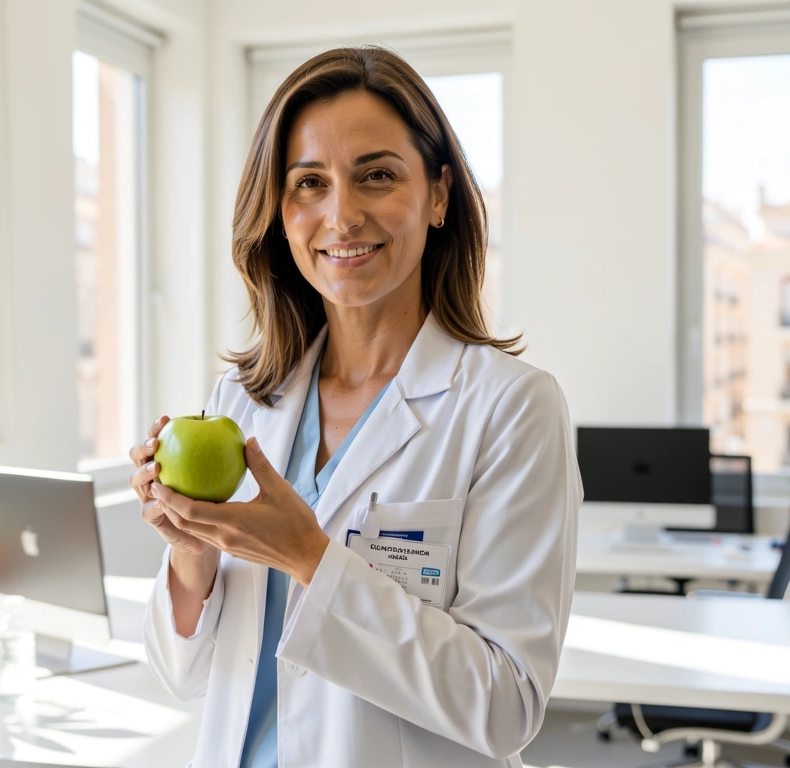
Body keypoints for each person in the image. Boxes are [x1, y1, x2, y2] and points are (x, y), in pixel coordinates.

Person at [129, 46, 581, 768]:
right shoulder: (241, 404)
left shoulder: (510, 409)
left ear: (438, 196)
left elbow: (507, 705)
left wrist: (309, 558)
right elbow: (181, 673)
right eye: (310, 182)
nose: (341, 215)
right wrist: (192, 549)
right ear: (279, 212)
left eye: (376, 175)